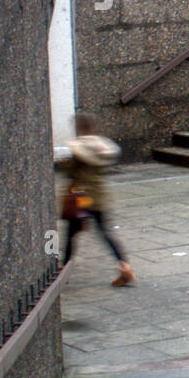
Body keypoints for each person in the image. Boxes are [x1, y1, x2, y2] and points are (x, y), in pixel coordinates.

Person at [54, 112, 135, 287]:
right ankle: (124, 266)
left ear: (78, 127)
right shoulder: (102, 146)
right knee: (106, 233)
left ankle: (63, 272)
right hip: (99, 196)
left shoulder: (77, 149)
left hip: (79, 197)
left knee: (71, 235)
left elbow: (68, 171)